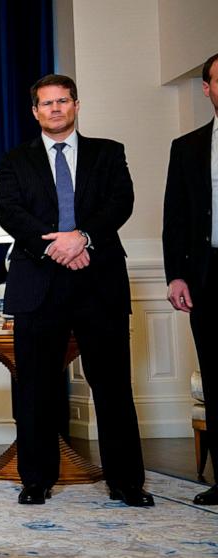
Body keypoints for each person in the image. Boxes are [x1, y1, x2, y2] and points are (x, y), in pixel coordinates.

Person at [0, 74, 153, 507]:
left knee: (113, 387)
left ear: (77, 105)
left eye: (63, 101)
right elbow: (10, 212)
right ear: (35, 112)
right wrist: (58, 246)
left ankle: (126, 483)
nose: (55, 109)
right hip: (38, 285)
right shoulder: (14, 160)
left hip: (98, 282)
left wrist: (82, 237)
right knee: (35, 390)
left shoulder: (109, 153)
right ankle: (37, 479)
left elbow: (120, 203)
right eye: (47, 103)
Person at [163, 53, 218, 506]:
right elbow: (175, 218)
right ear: (207, 88)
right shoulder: (188, 147)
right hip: (208, 276)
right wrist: (176, 274)